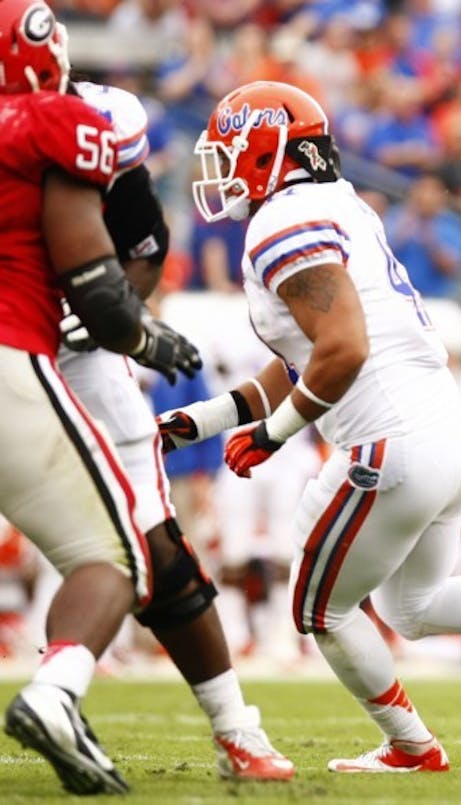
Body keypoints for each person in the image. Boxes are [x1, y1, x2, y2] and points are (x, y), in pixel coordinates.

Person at [157, 81, 461, 773]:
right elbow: (300, 358)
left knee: (320, 610)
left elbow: (342, 348)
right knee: (415, 604)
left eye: (232, 151)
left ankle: (412, 743)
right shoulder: (340, 204)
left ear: (269, 152)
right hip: (441, 429)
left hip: (389, 442)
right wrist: (201, 421)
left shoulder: (282, 221)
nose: (223, 168)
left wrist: (276, 433)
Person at [54, 78, 294, 780]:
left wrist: (122, 321)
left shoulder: (95, 133)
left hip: (66, 350)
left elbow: (139, 247)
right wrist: (136, 333)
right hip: (42, 352)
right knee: (146, 547)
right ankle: (61, 691)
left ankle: (63, 690)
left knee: (140, 547)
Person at [0, 1, 200, 794]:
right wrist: (150, 341)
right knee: (117, 557)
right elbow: (99, 287)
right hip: (14, 351)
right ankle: (55, 694)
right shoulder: (50, 123)